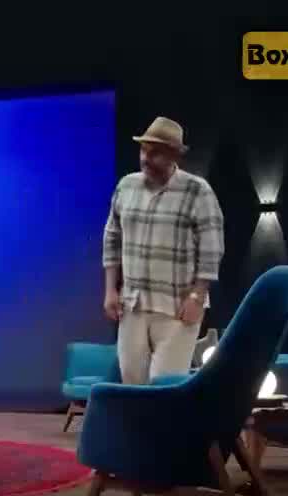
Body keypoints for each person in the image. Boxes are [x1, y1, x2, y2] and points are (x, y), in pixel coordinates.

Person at [103, 116, 224, 385]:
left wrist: (197, 296)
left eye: (155, 152)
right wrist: (110, 289)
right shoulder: (127, 186)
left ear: (174, 155)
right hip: (133, 304)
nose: (145, 158)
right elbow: (112, 237)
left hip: (177, 307)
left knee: (164, 386)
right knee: (132, 384)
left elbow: (211, 249)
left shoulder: (197, 191)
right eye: (143, 150)